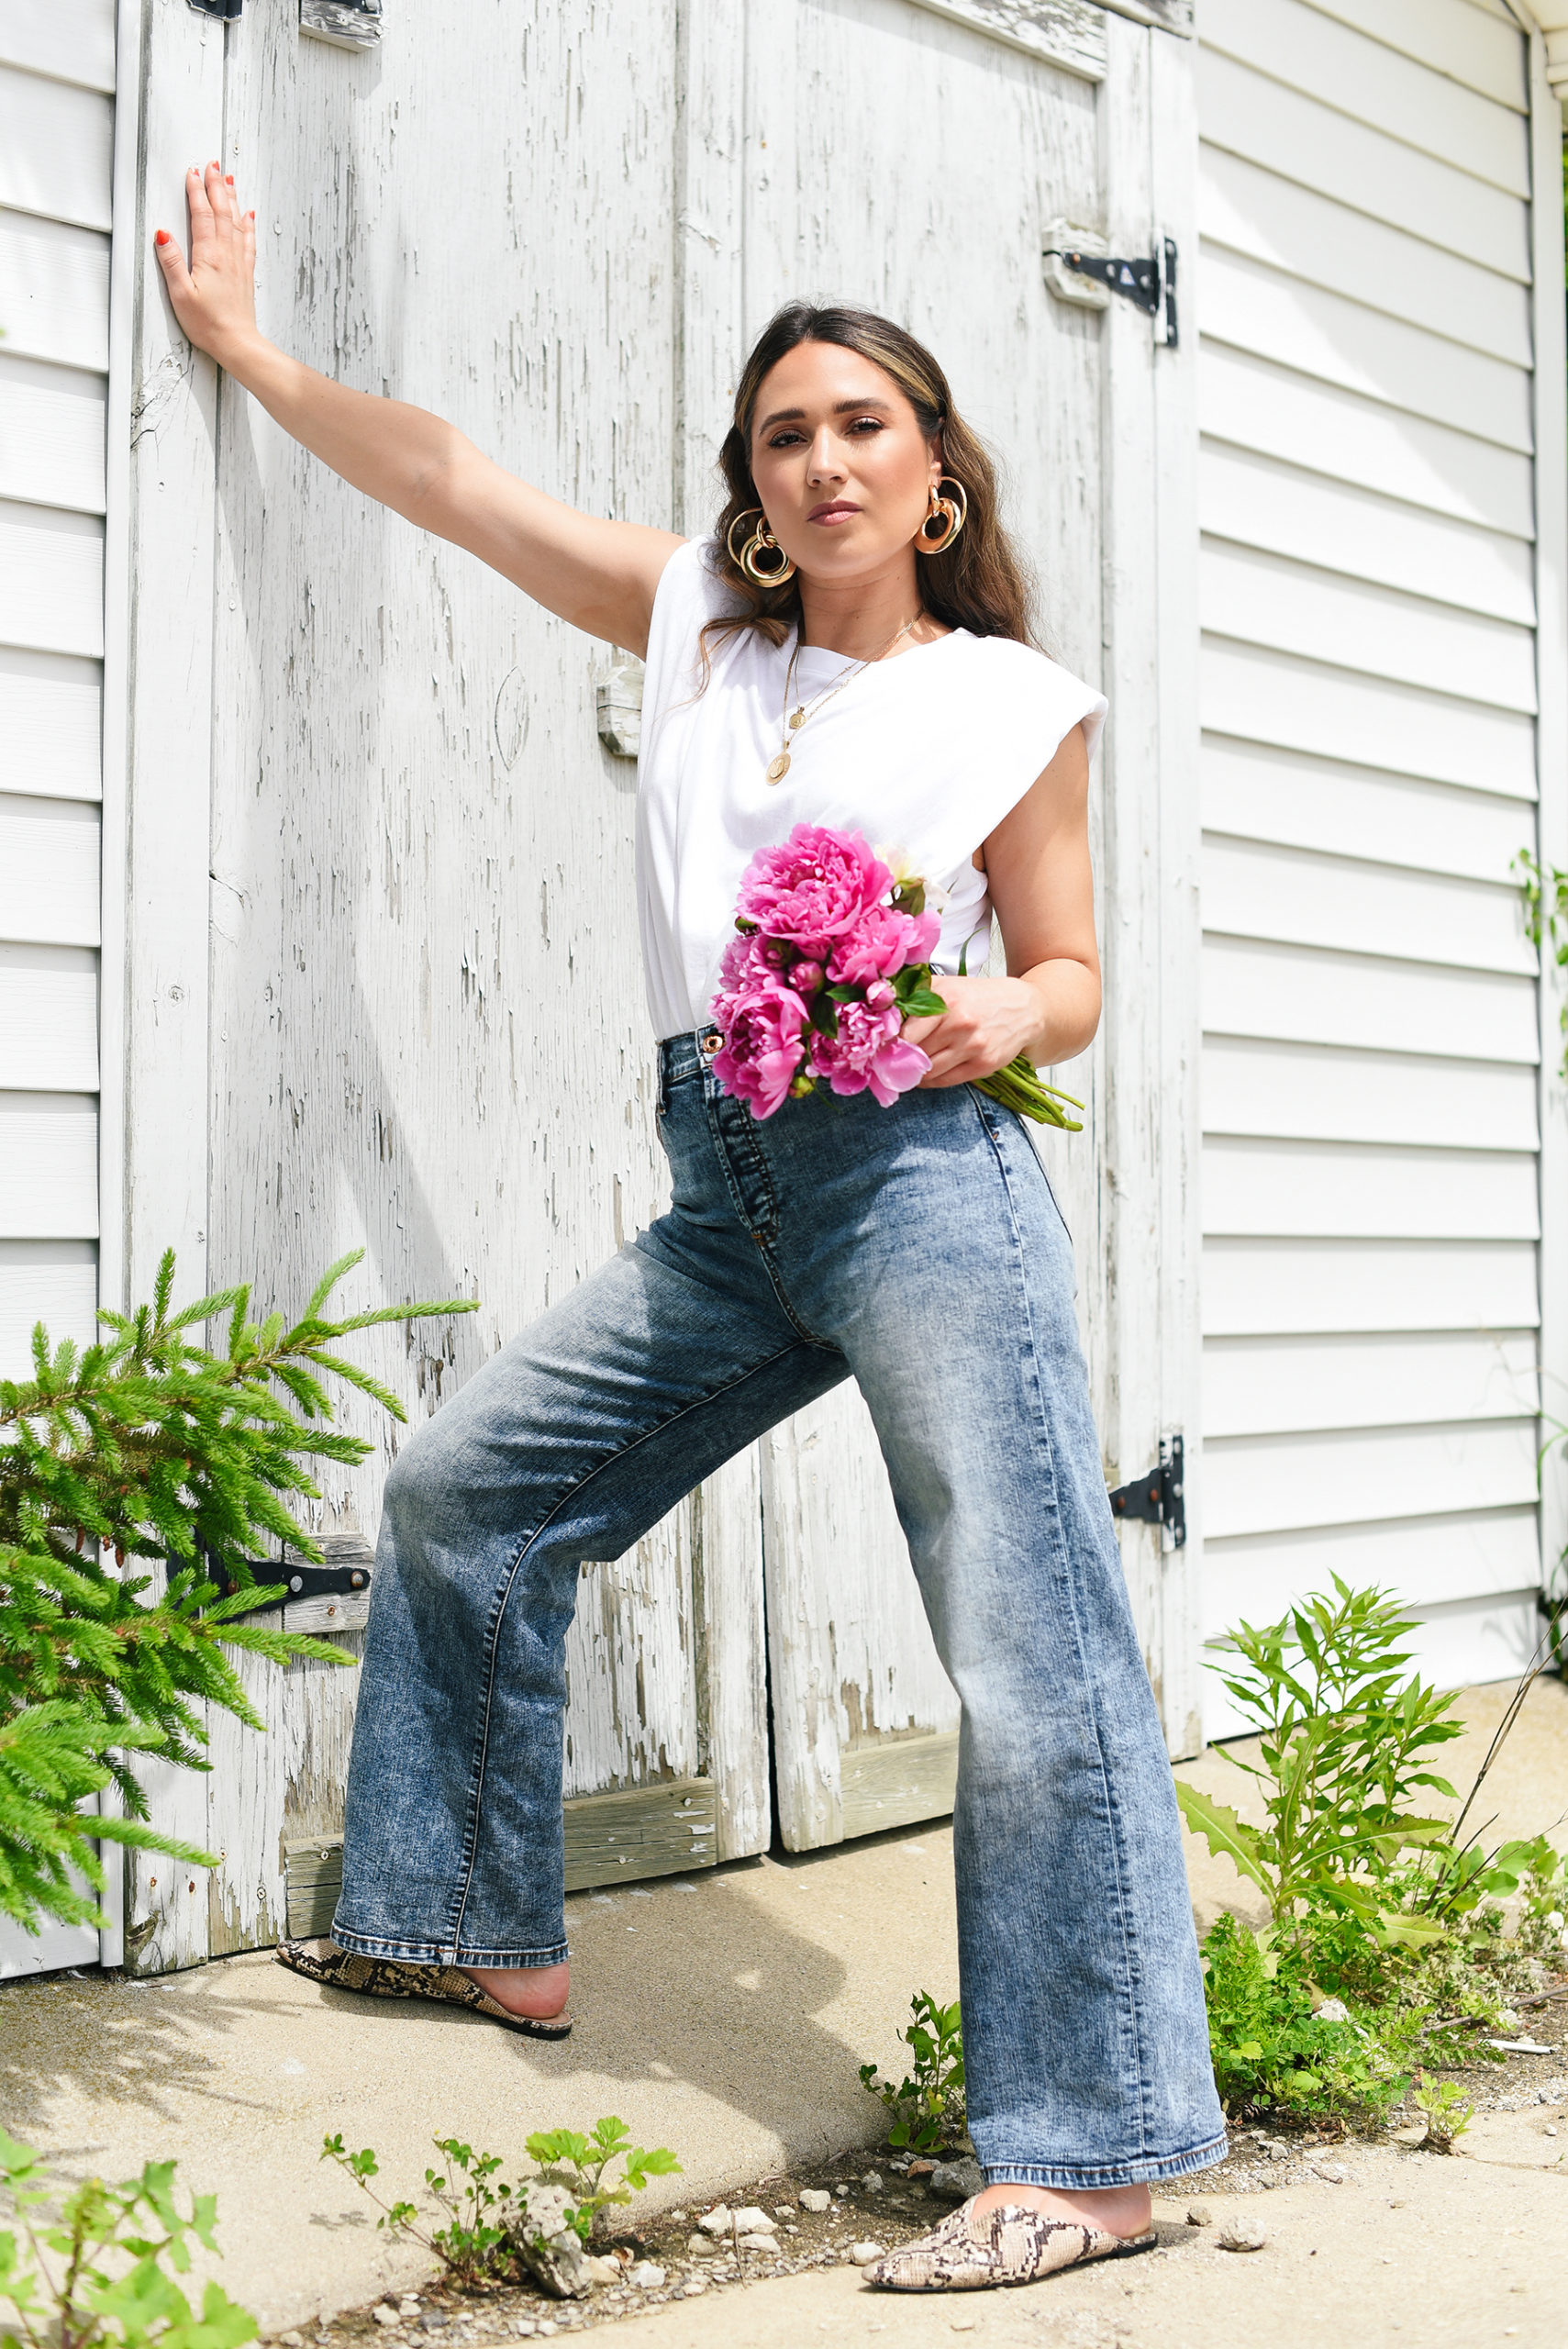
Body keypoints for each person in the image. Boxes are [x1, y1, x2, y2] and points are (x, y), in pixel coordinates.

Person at [155, 162, 1224, 2295]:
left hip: (920, 1181)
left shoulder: (1008, 697)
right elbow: (459, 483)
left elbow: (1074, 967)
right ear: (753, 485)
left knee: (1030, 1646)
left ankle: (1092, 2142)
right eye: (782, 433)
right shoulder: (701, 638)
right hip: (727, 1183)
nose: (819, 459)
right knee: (467, 1483)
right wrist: (256, 355)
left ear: (933, 475)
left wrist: (999, 1009)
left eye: (860, 426)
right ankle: (472, 1919)